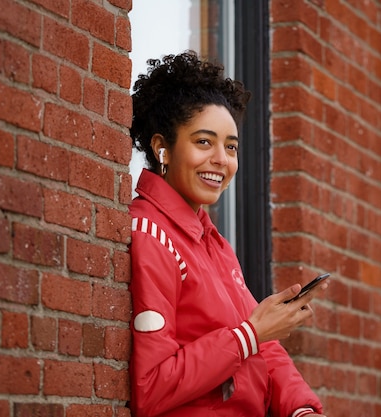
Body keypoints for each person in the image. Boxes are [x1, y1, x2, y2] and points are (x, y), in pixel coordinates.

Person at [128, 50, 329, 417]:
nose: (222, 159)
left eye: (231, 146)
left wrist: (301, 409)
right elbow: (151, 386)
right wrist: (249, 334)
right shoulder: (149, 233)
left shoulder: (214, 244)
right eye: (204, 142)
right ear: (163, 149)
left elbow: (261, 343)